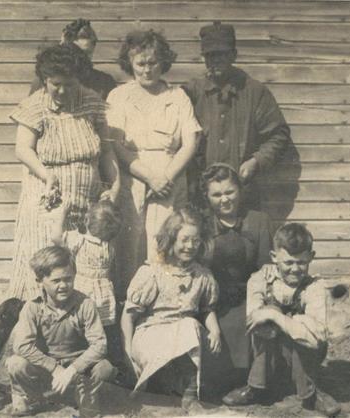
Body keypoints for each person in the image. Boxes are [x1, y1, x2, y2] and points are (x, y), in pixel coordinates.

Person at [8, 43, 120, 300]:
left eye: (69, 84)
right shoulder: (34, 106)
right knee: (47, 264)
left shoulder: (92, 103)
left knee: (81, 267)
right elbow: (23, 150)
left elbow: (106, 151)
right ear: (44, 79)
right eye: (55, 84)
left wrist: (114, 186)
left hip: (86, 202)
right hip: (48, 202)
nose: (61, 91)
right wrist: (47, 174)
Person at [107, 30, 202, 300]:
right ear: (130, 63)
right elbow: (115, 144)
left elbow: (190, 142)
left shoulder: (178, 96)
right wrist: (149, 177)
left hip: (169, 179)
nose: (147, 70)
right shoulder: (118, 96)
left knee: (162, 242)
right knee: (130, 244)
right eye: (140, 63)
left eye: (153, 62)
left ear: (163, 62)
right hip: (133, 176)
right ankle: (129, 305)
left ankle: (162, 304)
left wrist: (165, 178)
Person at [222, 223, 341, 417]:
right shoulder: (259, 280)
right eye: (288, 262)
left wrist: (276, 317)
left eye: (301, 263)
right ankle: (255, 387)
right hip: (269, 359)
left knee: (299, 323)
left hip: (303, 361)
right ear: (274, 257)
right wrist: (275, 315)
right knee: (267, 315)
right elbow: (254, 323)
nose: (295, 269)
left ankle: (310, 393)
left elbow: (317, 338)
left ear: (311, 257)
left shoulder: (315, 287)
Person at [120, 208, 220, 415]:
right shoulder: (153, 272)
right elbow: (128, 316)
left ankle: (190, 396)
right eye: (184, 240)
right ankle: (156, 390)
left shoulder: (202, 275)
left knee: (190, 325)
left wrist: (215, 330)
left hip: (185, 338)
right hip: (151, 335)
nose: (190, 246)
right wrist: (127, 352)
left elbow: (207, 309)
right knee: (187, 328)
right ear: (171, 239)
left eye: (195, 240)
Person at [183, 21, 290, 209]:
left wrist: (256, 161)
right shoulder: (190, 93)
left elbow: (278, 135)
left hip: (243, 193)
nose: (216, 60)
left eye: (222, 54)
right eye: (210, 55)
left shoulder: (255, 92)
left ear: (233, 55)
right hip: (200, 195)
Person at [7, 245, 117, 417]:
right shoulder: (32, 307)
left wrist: (72, 369)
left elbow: (100, 345)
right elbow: (21, 346)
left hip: (78, 367)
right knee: (16, 363)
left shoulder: (85, 304)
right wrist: (54, 368)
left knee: (104, 368)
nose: (63, 285)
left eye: (68, 279)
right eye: (56, 281)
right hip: (45, 367)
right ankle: (28, 396)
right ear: (40, 281)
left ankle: (85, 398)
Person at [200, 163, 272, 392]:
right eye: (216, 195)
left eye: (230, 192)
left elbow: (265, 267)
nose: (224, 200)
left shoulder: (259, 221)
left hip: (248, 297)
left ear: (240, 190)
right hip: (214, 301)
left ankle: (251, 383)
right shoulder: (201, 225)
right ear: (207, 197)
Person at [50, 199, 123, 364]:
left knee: (80, 327)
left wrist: (63, 213)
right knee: (100, 331)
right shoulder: (109, 248)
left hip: (83, 294)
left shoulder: (79, 241)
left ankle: (77, 356)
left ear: (87, 221)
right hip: (104, 297)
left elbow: (55, 237)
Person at [30, 18, 117, 100]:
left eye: (87, 53)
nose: (82, 57)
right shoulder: (46, 79)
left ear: (93, 50)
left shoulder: (105, 82)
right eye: (77, 51)